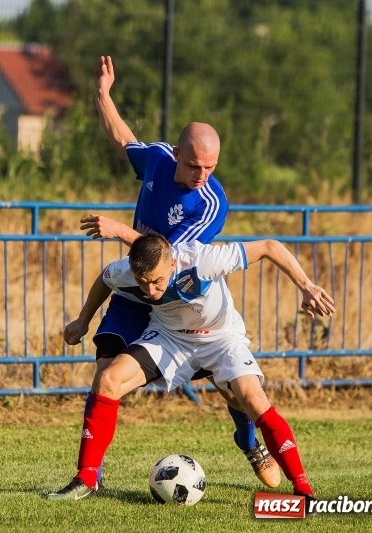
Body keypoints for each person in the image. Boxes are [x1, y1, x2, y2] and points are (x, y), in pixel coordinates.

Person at [74, 54, 279, 492]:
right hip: (137, 287)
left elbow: (170, 258)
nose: (202, 176)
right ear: (178, 154)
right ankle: (91, 474)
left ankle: (247, 441)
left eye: (210, 168)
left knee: (233, 390)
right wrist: (102, 95)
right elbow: (122, 139)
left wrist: (118, 231)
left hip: (179, 296)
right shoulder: (157, 160)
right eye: (193, 166)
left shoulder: (210, 204)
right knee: (107, 373)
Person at [48, 233, 335, 500]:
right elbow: (104, 279)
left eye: (158, 281)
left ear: (173, 262)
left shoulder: (203, 260)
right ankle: (86, 479)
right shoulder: (126, 270)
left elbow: (270, 247)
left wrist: (306, 286)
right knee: (108, 380)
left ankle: (302, 489)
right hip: (170, 339)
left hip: (221, 340)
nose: (151, 290)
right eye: (143, 282)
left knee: (251, 399)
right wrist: (83, 319)